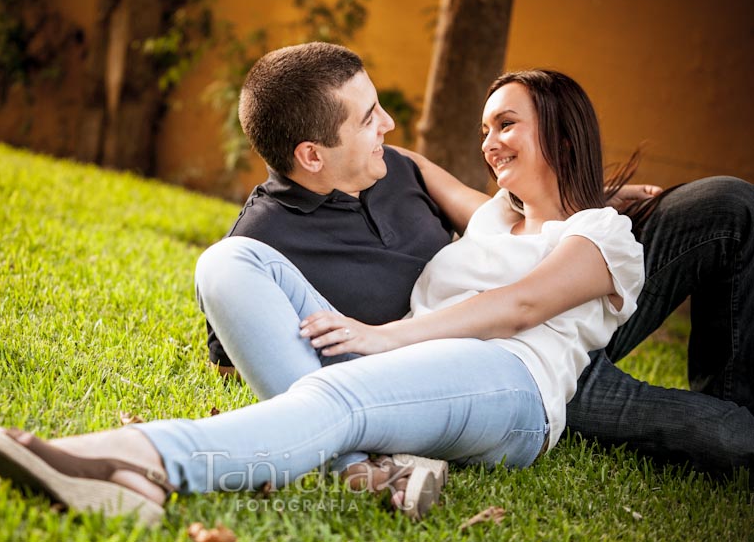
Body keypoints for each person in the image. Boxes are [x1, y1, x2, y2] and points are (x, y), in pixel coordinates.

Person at [0, 67, 645, 525]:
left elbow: (523, 305)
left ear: (560, 131)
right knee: (230, 260)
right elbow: (406, 163)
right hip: (405, 374)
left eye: (506, 124)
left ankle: (135, 457)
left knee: (332, 397)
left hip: (511, 389)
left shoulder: (604, 237)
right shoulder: (494, 214)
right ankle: (365, 470)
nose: (489, 143)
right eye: (484, 129)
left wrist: (385, 335)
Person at [195, 43, 754, 478]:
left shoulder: (396, 165)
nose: (387, 126)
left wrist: (589, 199)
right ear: (313, 155)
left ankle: (731, 389)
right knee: (729, 439)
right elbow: (239, 354)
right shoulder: (263, 238)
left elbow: (503, 251)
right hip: (503, 371)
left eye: (505, 124)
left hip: (550, 319)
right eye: (368, 119)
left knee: (730, 204)